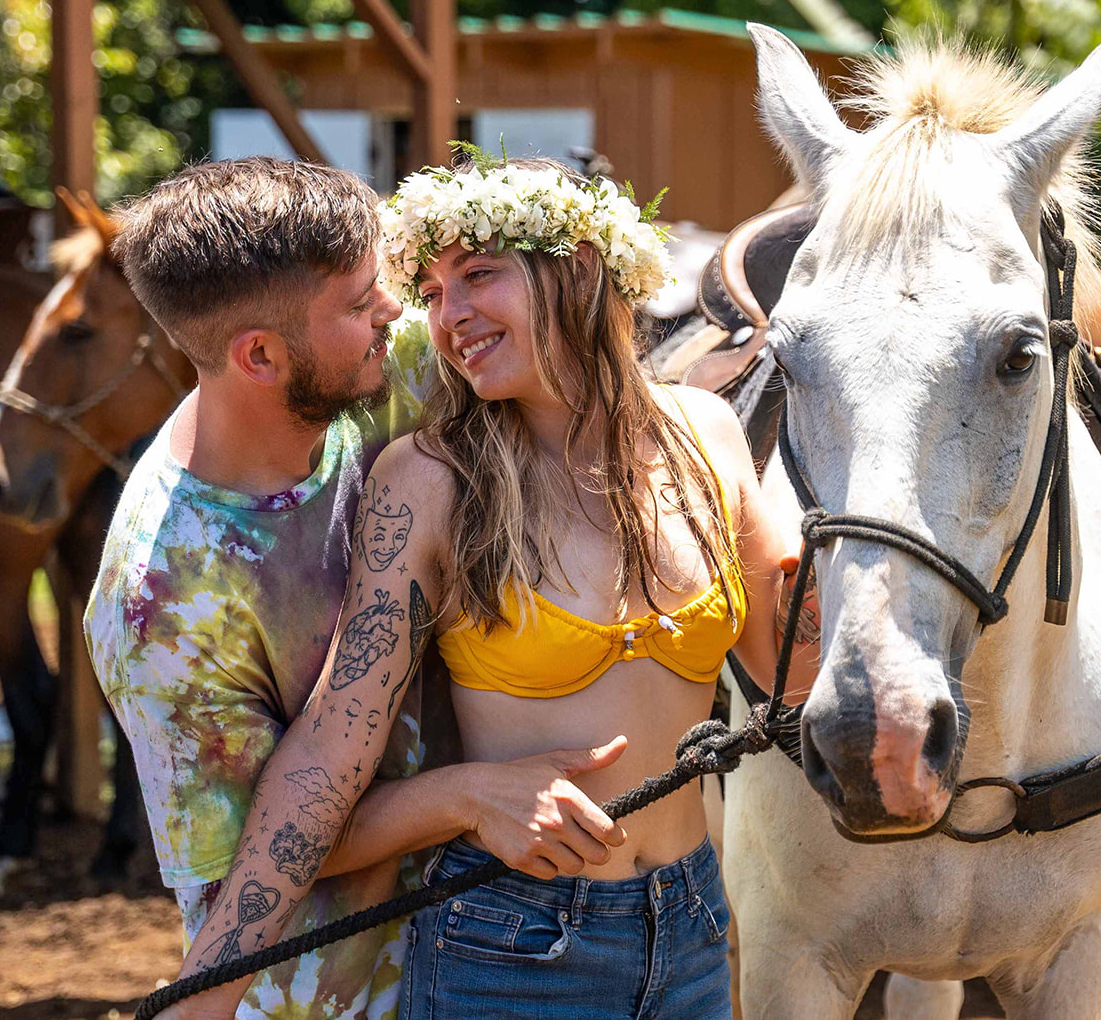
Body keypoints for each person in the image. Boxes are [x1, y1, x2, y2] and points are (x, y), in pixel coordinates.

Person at [162, 154, 792, 1020]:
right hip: (510, 945)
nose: (449, 318)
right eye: (430, 291)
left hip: (691, 931)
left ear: (576, 266)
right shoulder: (429, 483)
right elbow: (325, 754)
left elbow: (792, 677)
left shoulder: (707, 434)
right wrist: (209, 985)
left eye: (479, 276)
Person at [88, 157, 635, 1020]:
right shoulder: (163, 603)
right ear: (260, 355)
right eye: (358, 302)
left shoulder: (385, 372)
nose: (398, 311)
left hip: (506, 951)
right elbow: (258, 853)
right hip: (330, 995)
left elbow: (576, 374)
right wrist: (465, 793)